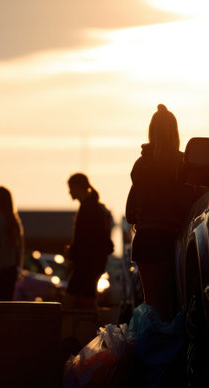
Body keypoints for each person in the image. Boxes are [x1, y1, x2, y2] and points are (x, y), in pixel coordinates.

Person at [125, 104, 186, 322]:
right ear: (174, 131)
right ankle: (169, 353)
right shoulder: (181, 163)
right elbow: (185, 202)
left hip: (144, 239)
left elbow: (130, 212)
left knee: (151, 304)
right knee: (174, 305)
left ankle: (148, 350)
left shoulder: (140, 165)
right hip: (169, 239)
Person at [64, 173, 114, 310]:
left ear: (78, 187)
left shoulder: (89, 208)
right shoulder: (93, 206)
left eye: (71, 188)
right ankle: (89, 329)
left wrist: (73, 252)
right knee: (88, 298)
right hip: (92, 263)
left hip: (87, 264)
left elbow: (88, 238)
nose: (69, 192)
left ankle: (75, 330)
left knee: (71, 299)